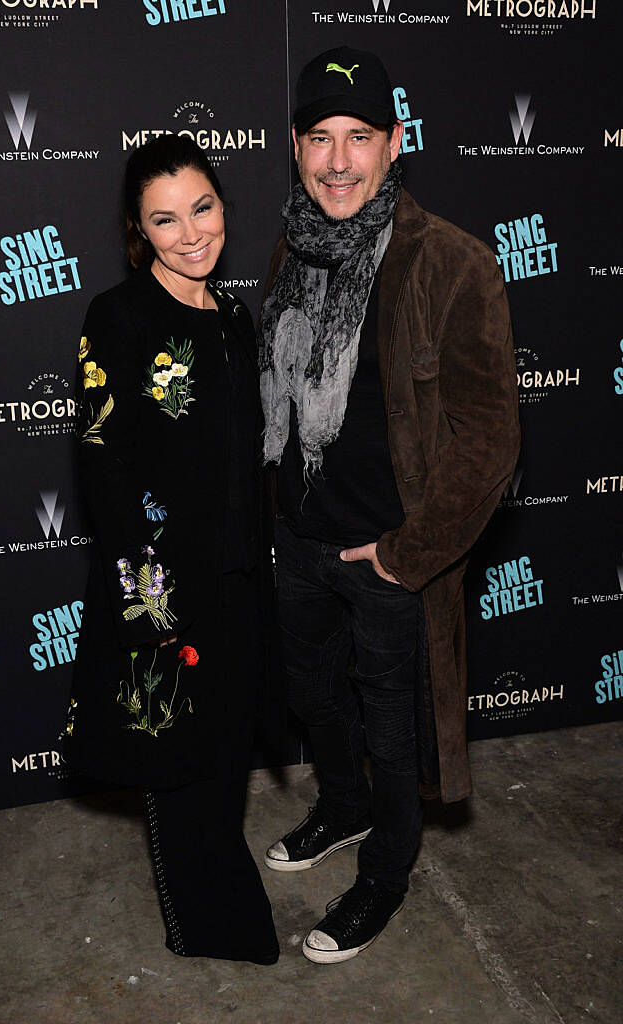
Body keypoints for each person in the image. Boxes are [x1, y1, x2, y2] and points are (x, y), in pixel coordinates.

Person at [258, 46, 520, 964]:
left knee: (390, 723)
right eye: (320, 139)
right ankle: (341, 805)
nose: (338, 160)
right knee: (318, 701)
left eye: (358, 138)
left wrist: (409, 556)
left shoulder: (453, 263)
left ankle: (388, 868)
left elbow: (490, 440)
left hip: (387, 556)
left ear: (393, 143)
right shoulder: (294, 244)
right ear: (295, 149)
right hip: (299, 539)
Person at [64, 136, 279, 965]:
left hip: (237, 577)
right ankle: (207, 924)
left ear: (223, 205)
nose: (191, 234)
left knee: (225, 754)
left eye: (203, 208)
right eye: (165, 219)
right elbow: (104, 468)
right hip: (161, 585)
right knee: (177, 760)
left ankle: (219, 894)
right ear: (138, 231)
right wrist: (153, 607)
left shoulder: (233, 318)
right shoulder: (116, 318)